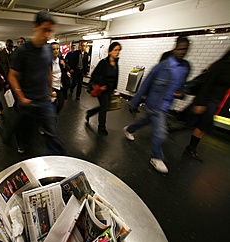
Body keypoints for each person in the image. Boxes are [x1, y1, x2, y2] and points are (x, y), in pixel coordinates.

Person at [123, 36, 191, 173]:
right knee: (160, 132)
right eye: (181, 49)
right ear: (175, 47)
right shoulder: (161, 67)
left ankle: (129, 129)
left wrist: (182, 93)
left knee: (146, 120)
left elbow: (183, 86)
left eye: (186, 50)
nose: (183, 52)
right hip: (155, 104)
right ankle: (156, 157)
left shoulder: (186, 67)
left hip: (166, 105)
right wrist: (134, 103)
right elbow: (145, 84)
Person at [8, 10, 65, 155]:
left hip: (44, 100)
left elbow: (49, 70)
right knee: (23, 130)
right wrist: (21, 98)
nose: (47, 35)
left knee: (52, 133)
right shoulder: (22, 51)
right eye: (44, 30)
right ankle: (22, 144)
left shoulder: (47, 49)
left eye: (50, 31)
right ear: (35, 27)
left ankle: (58, 161)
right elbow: (12, 76)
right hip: (27, 101)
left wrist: (51, 90)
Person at [184, 48, 230, 161]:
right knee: (201, 125)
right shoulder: (221, 66)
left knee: (202, 126)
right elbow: (207, 85)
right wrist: (201, 103)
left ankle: (191, 148)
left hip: (215, 102)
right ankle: (191, 148)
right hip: (208, 100)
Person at [86, 42, 122, 135]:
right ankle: (101, 128)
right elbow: (94, 75)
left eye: (119, 50)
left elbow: (116, 77)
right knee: (104, 107)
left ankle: (90, 113)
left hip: (109, 89)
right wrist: (102, 84)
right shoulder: (103, 62)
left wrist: (115, 88)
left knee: (104, 106)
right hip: (101, 89)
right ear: (110, 51)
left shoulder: (116, 63)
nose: (117, 52)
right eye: (115, 50)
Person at [51, 42, 70, 113]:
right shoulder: (48, 62)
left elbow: (66, 69)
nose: (56, 51)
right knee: (51, 104)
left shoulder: (60, 61)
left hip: (60, 85)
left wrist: (64, 65)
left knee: (61, 104)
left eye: (57, 49)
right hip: (51, 86)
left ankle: (54, 115)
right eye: (53, 49)